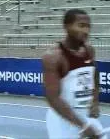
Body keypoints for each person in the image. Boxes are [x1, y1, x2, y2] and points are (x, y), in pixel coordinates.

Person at [42, 9, 106, 139]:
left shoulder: (89, 50)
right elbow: (52, 98)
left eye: (88, 26)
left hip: (84, 115)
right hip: (62, 119)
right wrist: (82, 125)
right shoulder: (54, 56)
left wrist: (95, 101)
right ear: (66, 26)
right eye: (81, 25)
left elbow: (95, 75)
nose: (86, 31)